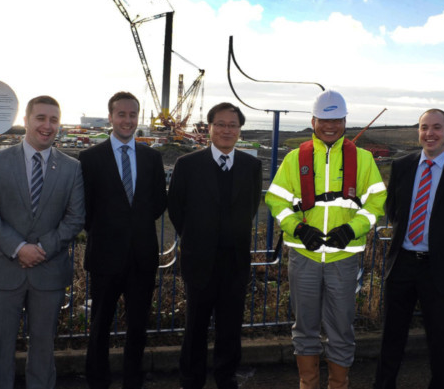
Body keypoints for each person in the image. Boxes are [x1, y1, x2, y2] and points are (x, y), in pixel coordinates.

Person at [265, 90, 386, 389]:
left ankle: (338, 385)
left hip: (343, 259)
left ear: (344, 121)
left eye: (335, 120)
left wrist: (351, 230)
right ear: (313, 121)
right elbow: (276, 200)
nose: (329, 126)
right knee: (304, 327)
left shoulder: (364, 159)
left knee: (341, 329)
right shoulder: (296, 158)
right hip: (303, 257)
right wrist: (299, 228)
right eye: (323, 120)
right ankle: (308, 384)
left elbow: (376, 203)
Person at [373, 109, 444, 389]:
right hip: (402, 265)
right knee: (391, 339)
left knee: (442, 342)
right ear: (419, 132)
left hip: (440, 269)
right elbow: (393, 209)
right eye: (424, 127)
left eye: (437, 127)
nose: (430, 133)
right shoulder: (401, 166)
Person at [0, 95, 85, 389]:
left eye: (53, 120)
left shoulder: (71, 167)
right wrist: (18, 248)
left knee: (43, 351)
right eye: (41, 118)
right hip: (2, 271)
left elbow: (75, 219)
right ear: (25, 121)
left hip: (48, 273)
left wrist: (43, 249)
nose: (47, 126)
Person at [167, 102, 262, 389]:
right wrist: (197, 238)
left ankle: (226, 378)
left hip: (235, 262)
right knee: (195, 327)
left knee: (230, 328)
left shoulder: (251, 166)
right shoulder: (187, 165)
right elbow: (176, 210)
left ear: (239, 131)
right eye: (220, 124)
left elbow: (251, 207)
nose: (226, 130)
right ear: (208, 128)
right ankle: (191, 380)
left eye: (232, 125)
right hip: (199, 260)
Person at [79, 91, 167, 389]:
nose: (127, 120)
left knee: (138, 327)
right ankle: (97, 381)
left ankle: (133, 381)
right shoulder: (89, 158)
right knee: (100, 325)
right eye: (122, 114)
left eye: (132, 115)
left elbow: (157, 204)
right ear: (110, 117)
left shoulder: (152, 158)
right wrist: (110, 232)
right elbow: (85, 210)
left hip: (142, 257)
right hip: (105, 256)